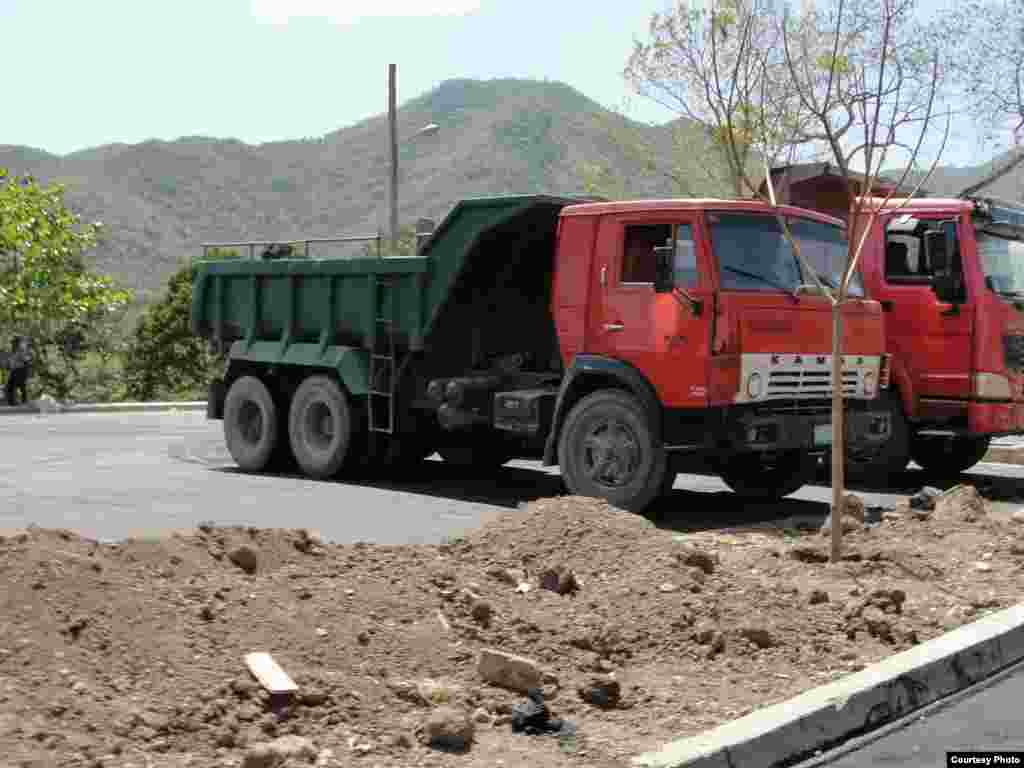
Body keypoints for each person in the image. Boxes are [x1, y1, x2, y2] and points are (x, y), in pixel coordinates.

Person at [5, 336, 32, 406]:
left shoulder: (21, 348)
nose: (12, 344)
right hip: (16, 370)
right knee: (15, 386)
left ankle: (22, 401)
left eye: (13, 342)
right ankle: (18, 401)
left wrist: (24, 360)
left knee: (19, 386)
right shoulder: (15, 350)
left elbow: (26, 358)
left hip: (20, 370)